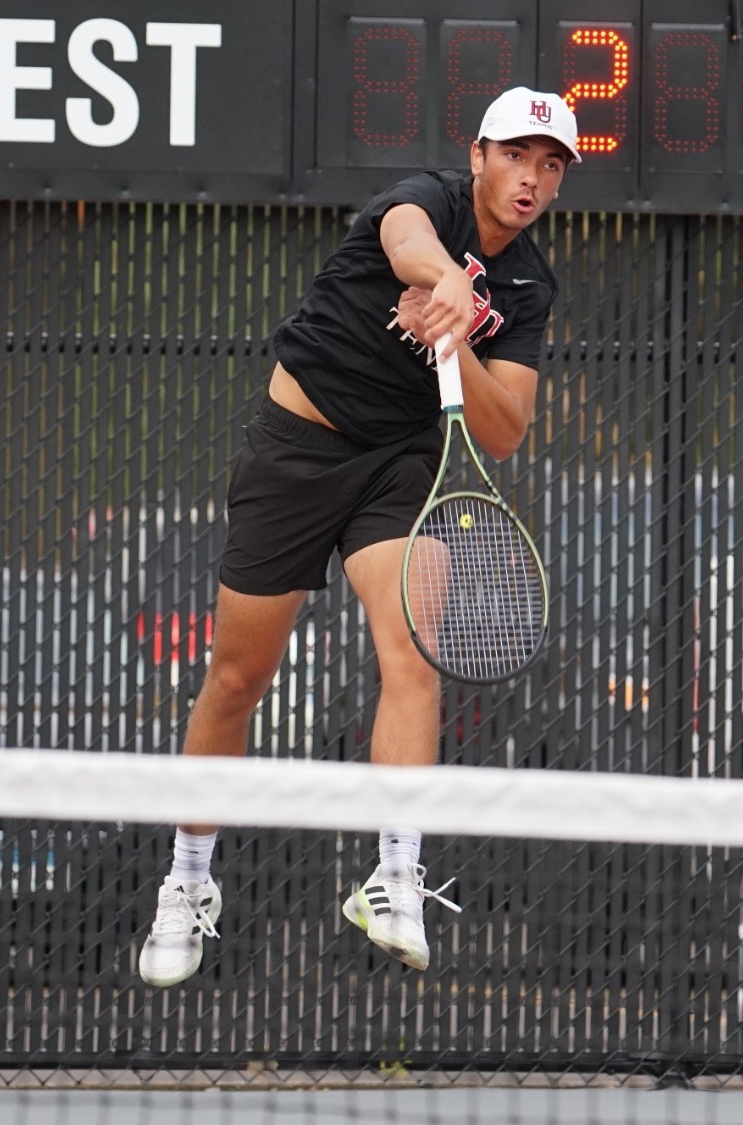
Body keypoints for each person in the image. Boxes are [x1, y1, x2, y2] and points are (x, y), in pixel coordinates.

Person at [137, 88, 580, 987]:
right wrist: (445, 281)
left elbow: (504, 430)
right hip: (299, 449)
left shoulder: (531, 284)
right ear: (480, 154)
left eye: (551, 164)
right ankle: (187, 882)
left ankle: (394, 875)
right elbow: (404, 241)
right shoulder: (424, 198)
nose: (531, 178)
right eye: (517, 156)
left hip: (401, 463)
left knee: (414, 651)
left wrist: (455, 344)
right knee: (237, 677)